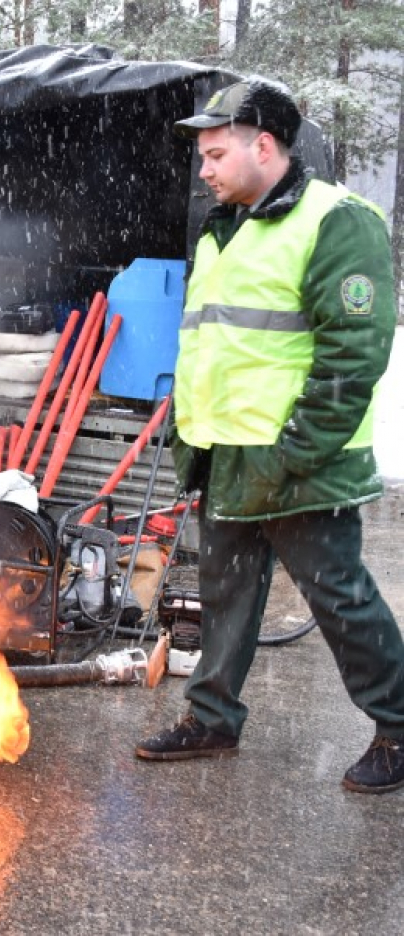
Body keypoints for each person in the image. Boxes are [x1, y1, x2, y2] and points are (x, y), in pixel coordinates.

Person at [135, 80, 404, 794]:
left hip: (300, 460)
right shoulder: (222, 228)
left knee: (338, 599)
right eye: (201, 156)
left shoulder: (337, 221)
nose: (204, 169)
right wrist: (192, 434)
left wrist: (298, 450)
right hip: (226, 453)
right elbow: (216, 343)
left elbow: (355, 352)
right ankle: (212, 718)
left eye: (216, 154)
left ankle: (399, 726)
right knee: (225, 595)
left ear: (264, 145)